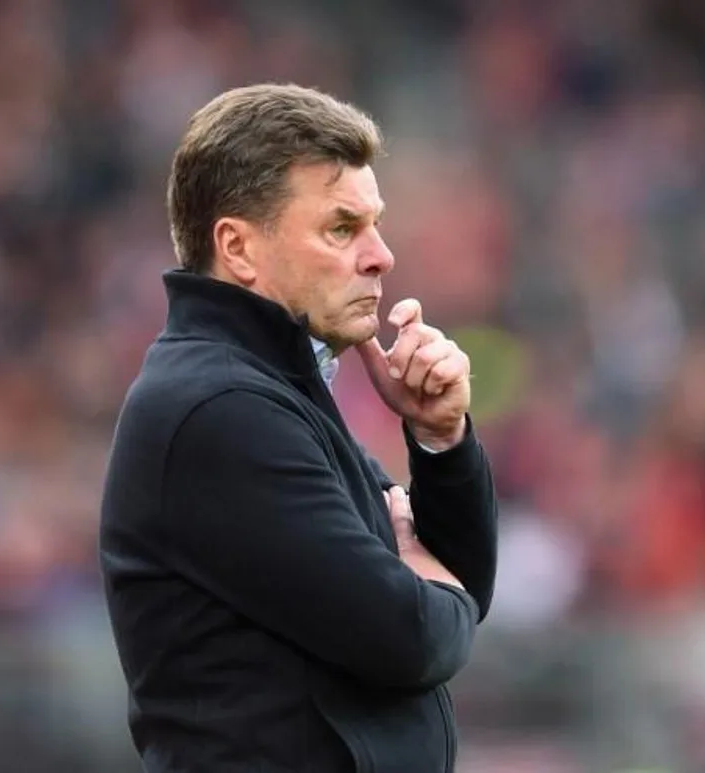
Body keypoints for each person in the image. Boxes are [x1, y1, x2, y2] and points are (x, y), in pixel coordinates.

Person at [99, 83, 498, 773]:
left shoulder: (273, 390)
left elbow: (446, 591)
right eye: (342, 228)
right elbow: (408, 635)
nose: (381, 255)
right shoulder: (218, 409)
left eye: (374, 224)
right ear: (238, 248)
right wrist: (439, 588)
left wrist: (439, 438)